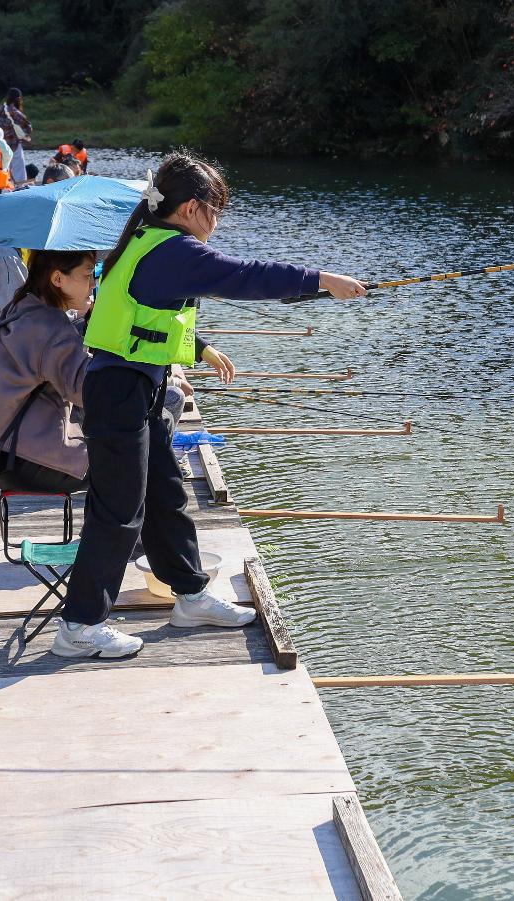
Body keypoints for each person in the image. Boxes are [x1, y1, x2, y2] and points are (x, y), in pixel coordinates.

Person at [51, 153, 368, 660]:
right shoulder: (171, 249)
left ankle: (190, 595)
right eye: (215, 210)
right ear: (192, 208)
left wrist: (197, 349)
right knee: (117, 512)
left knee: (165, 494)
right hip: (118, 394)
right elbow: (243, 276)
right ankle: (79, 626)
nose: (217, 222)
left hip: (138, 387)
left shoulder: (148, 240)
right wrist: (321, 279)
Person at [0, 249, 99, 494]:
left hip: (3, 453)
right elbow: (90, 392)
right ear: (58, 279)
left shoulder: (21, 305)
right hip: (35, 461)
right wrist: (95, 326)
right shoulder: (50, 326)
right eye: (88, 275)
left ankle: (104, 530)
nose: (93, 284)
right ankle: (105, 533)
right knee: (140, 448)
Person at [0, 88, 32, 184]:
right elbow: (28, 127)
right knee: (18, 170)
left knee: (5, 167)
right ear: (18, 98)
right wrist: (23, 135)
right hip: (14, 144)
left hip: (1, 144)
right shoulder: (15, 112)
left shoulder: (0, 109)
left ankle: (6, 186)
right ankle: (19, 189)